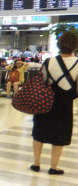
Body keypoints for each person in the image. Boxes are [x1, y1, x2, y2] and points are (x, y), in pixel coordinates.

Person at [31, 31, 78, 175]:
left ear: (59, 45)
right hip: (64, 105)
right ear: (75, 46)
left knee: (39, 132)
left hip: (45, 102)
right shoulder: (77, 63)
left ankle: (36, 163)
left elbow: (42, 82)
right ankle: (53, 167)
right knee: (60, 134)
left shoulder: (48, 61)